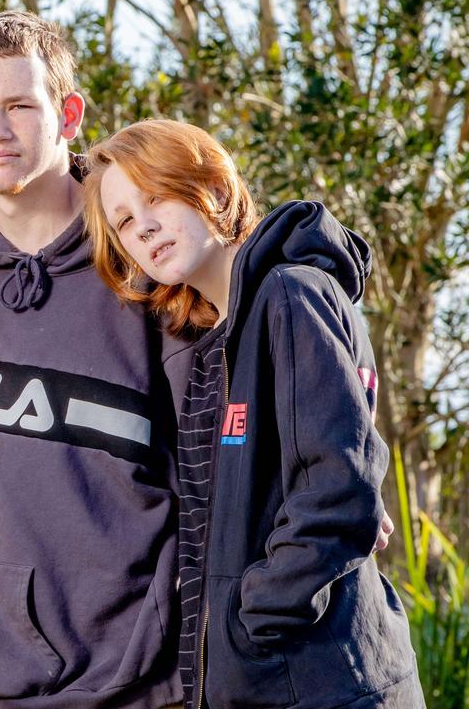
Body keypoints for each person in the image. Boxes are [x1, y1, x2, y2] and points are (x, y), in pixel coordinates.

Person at [84, 119, 423, 709]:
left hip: (321, 681)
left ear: (210, 185)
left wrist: (248, 623)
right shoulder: (213, 337)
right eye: (124, 221)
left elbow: (339, 493)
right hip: (262, 685)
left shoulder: (291, 294)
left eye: (156, 195)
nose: (145, 227)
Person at [0, 12, 185, 708]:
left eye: (19, 106)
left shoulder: (144, 255)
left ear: (68, 113)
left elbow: (241, 403)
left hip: (143, 680)